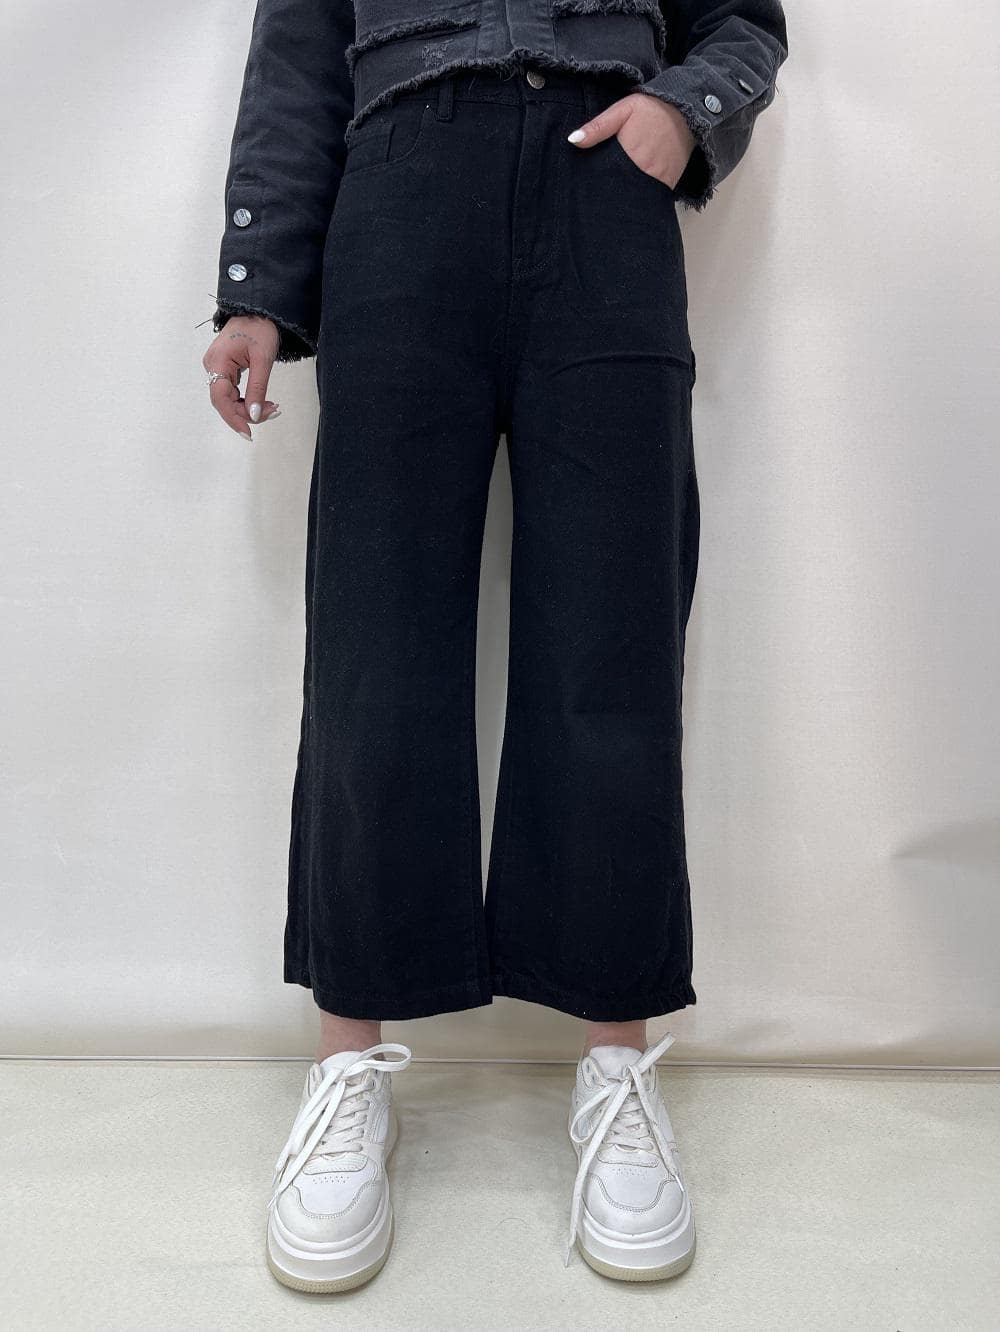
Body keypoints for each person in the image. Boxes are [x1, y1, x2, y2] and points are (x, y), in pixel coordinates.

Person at [202, 0, 788, 1294]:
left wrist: (681, 111)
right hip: (399, 187)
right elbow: (296, 64)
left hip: (607, 200)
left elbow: (741, 22)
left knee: (613, 648)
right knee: (374, 649)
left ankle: (614, 1065)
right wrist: (257, 288)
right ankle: (350, 1071)